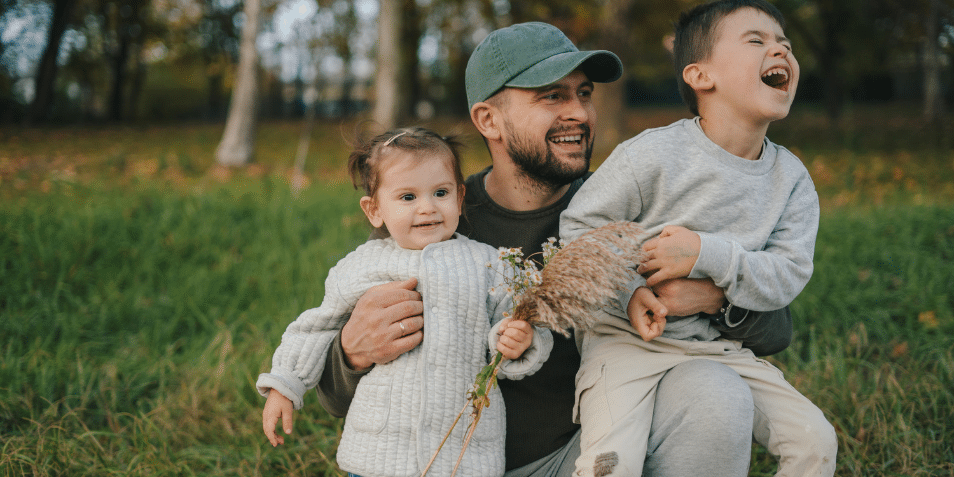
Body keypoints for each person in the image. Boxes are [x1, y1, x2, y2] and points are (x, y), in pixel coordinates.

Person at [317, 22, 794, 476]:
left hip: (586, 456)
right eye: (552, 96)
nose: (580, 113)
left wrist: (715, 298)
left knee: (715, 390)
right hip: (451, 464)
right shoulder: (432, 220)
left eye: (584, 94)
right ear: (489, 119)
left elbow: (776, 329)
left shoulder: (622, 209)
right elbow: (332, 395)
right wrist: (351, 353)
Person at [559, 1, 838, 476]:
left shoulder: (791, 180)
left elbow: (787, 275)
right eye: (757, 41)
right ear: (701, 76)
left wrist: (707, 255)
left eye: (784, 44)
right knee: (611, 464)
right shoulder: (652, 154)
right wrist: (629, 293)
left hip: (716, 349)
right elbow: (581, 231)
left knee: (815, 440)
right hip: (624, 346)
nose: (780, 50)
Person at [257, 127, 554, 477]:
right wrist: (284, 385)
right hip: (380, 451)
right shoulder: (361, 265)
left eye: (440, 193)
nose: (427, 207)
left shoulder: (488, 264)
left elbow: (522, 320)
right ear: (374, 210)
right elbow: (315, 327)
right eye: (408, 197)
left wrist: (518, 340)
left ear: (459, 198)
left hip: (465, 450)